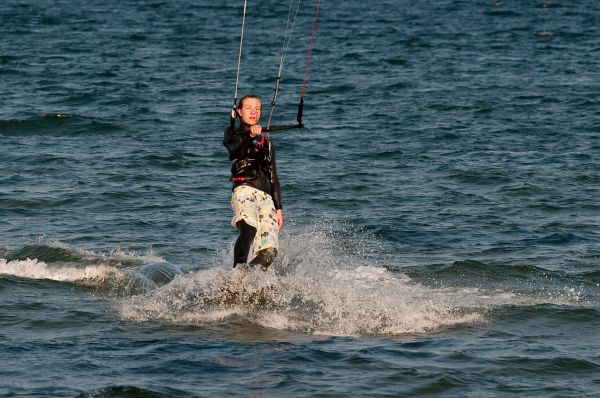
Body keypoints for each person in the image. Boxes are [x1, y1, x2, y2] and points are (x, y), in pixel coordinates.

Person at [223, 95, 284, 270]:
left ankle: (249, 278)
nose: (253, 111)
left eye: (257, 108)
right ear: (239, 112)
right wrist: (250, 136)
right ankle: (238, 272)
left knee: (270, 250)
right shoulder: (232, 133)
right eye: (249, 108)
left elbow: (273, 175)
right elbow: (235, 152)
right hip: (244, 190)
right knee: (249, 229)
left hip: (266, 198)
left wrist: (278, 207)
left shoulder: (267, 143)